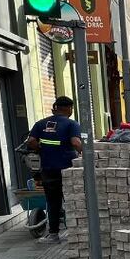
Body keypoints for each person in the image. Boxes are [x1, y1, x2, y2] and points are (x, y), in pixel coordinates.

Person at [27, 97, 82, 243]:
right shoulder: (72, 124)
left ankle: (53, 235)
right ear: (69, 109)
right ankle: (78, 233)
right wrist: (87, 154)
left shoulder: (40, 123)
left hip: (48, 168)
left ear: (56, 108)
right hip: (68, 168)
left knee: (53, 202)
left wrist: (41, 149)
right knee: (72, 199)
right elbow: (76, 142)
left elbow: (31, 141)